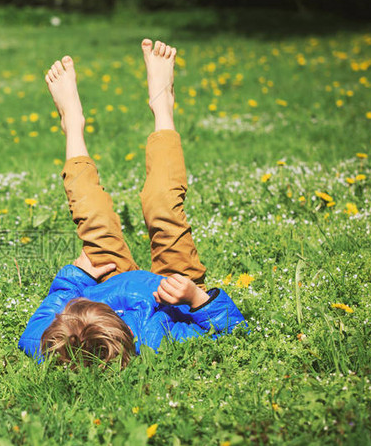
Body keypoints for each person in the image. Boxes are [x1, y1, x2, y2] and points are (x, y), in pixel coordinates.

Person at [18, 39, 245, 367]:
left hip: (107, 276)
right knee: (162, 205)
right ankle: (163, 106)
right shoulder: (157, 342)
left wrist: (75, 279)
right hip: (172, 290)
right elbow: (234, 332)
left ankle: (73, 125)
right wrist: (195, 298)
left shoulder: (55, 343)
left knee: (91, 212)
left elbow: (33, 333)